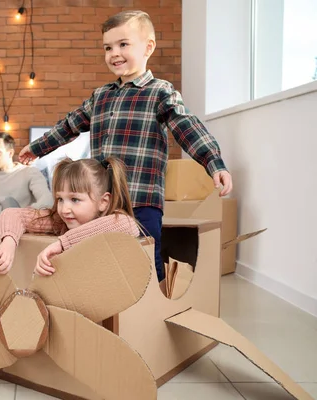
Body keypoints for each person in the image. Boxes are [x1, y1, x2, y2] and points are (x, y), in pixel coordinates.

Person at [18, 10, 233, 281]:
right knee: (102, 258)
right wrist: (37, 148)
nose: (114, 53)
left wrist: (213, 163)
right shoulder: (101, 96)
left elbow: (187, 127)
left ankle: (151, 312)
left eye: (123, 45)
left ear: (148, 48)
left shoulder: (160, 92)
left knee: (146, 258)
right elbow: (69, 125)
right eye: (108, 47)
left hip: (141, 199)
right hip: (105, 201)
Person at [0, 157, 140, 276]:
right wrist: (8, 241)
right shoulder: (60, 221)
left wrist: (63, 243)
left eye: (75, 200)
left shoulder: (113, 221)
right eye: (60, 199)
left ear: (103, 202)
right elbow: (11, 214)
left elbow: (128, 225)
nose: (64, 209)